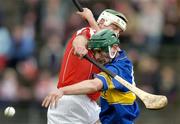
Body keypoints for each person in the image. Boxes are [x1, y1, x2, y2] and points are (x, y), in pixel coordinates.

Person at [42, 8, 129, 124]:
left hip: (89, 105)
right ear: (102, 22)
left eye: (118, 32)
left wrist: (91, 19)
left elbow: (108, 46)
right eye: (114, 28)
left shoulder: (111, 51)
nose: (116, 34)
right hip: (69, 102)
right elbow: (80, 39)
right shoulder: (88, 32)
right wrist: (79, 47)